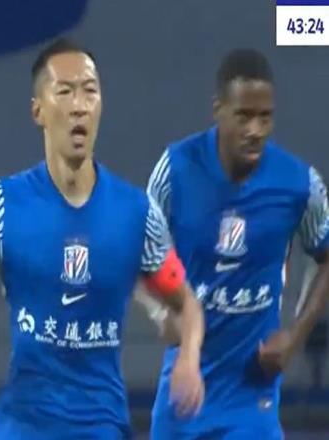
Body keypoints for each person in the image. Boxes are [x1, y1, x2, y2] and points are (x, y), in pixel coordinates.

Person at [0, 38, 205, 440]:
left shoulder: (137, 213)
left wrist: (188, 356)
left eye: (90, 91)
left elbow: (185, 302)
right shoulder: (2, 206)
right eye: (65, 92)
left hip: (102, 425)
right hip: (25, 424)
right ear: (39, 111)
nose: (79, 105)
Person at [141, 48, 329, 439]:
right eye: (243, 116)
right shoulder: (176, 169)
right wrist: (160, 315)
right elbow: (138, 251)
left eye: (265, 117)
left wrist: (295, 336)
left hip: (252, 397)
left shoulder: (298, 184)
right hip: (185, 389)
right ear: (218, 110)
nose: (255, 129)